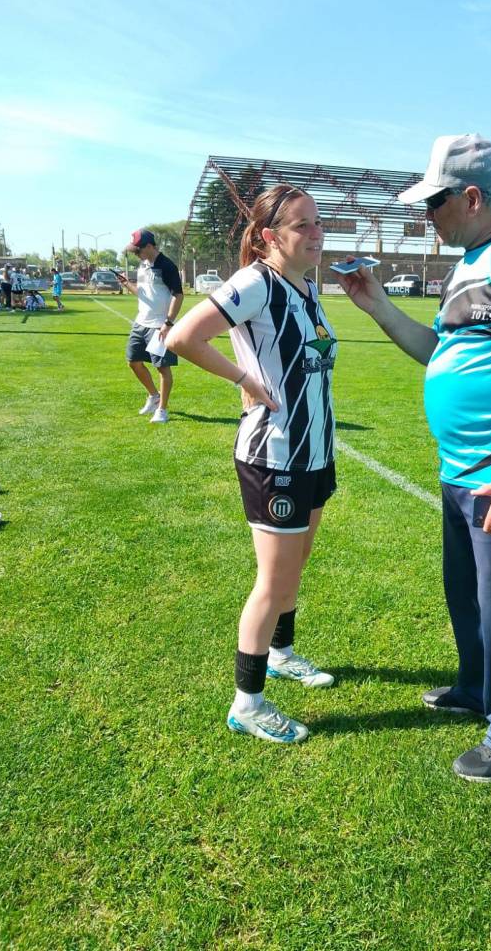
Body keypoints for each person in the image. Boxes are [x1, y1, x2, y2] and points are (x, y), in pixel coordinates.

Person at [340, 134, 491, 782]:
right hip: (460, 472)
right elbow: (441, 352)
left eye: (435, 202)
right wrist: (380, 307)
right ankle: (478, 689)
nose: (428, 215)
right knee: (470, 596)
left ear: (471, 197)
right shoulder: (472, 261)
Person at [166, 184, 338, 744]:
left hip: (314, 450)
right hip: (275, 454)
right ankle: (247, 701)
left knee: (296, 564)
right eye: (302, 226)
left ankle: (282, 651)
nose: (317, 233)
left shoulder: (306, 286)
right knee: (273, 579)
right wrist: (244, 380)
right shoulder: (256, 283)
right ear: (270, 236)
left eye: (318, 222)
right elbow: (184, 337)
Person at [120, 229, 184, 424]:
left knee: (162, 369)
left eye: (138, 250)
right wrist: (127, 284)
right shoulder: (142, 266)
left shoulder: (167, 266)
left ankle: (162, 410)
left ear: (149, 246)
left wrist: (168, 323)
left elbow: (178, 295)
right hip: (141, 322)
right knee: (133, 362)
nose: (135, 254)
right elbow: (142, 293)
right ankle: (153, 396)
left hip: (159, 325)